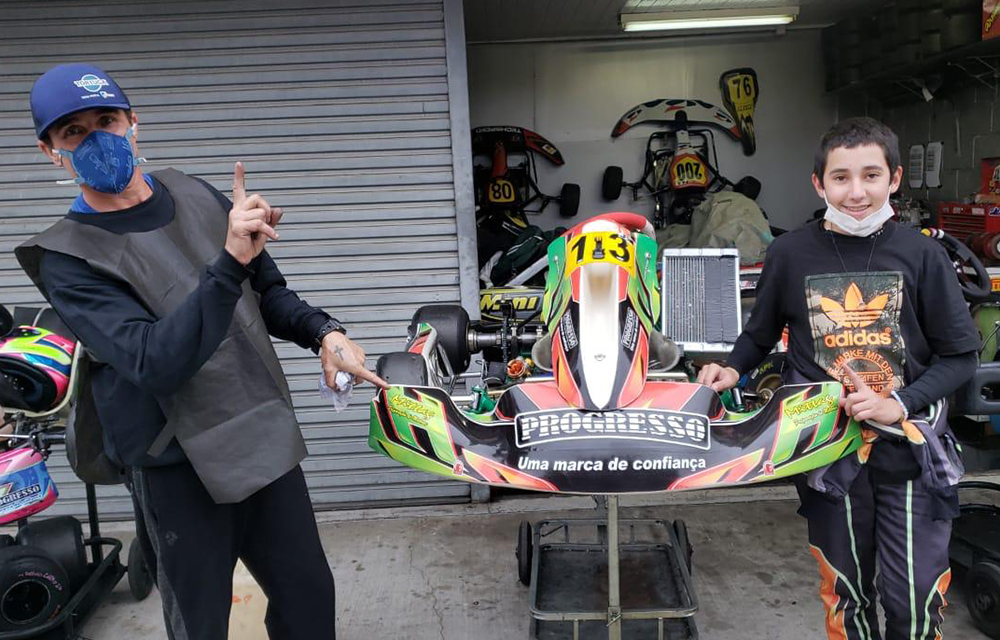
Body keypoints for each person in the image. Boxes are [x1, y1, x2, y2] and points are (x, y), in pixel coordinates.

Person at [17, 63, 388, 640]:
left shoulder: (196, 194)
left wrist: (324, 333)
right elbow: (154, 360)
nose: (96, 139)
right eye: (73, 132)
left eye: (106, 120)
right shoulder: (68, 257)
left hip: (259, 433)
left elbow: (267, 292)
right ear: (51, 152)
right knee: (201, 623)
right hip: (175, 465)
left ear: (133, 122)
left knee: (310, 599)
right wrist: (229, 262)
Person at [698, 117, 979, 639]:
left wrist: (901, 402)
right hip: (827, 450)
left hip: (910, 451)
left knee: (915, 599)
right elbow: (761, 333)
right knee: (846, 595)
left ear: (895, 178)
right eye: (841, 177)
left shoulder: (923, 254)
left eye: (871, 176)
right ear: (818, 183)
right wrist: (731, 368)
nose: (856, 192)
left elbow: (961, 356)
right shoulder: (789, 253)